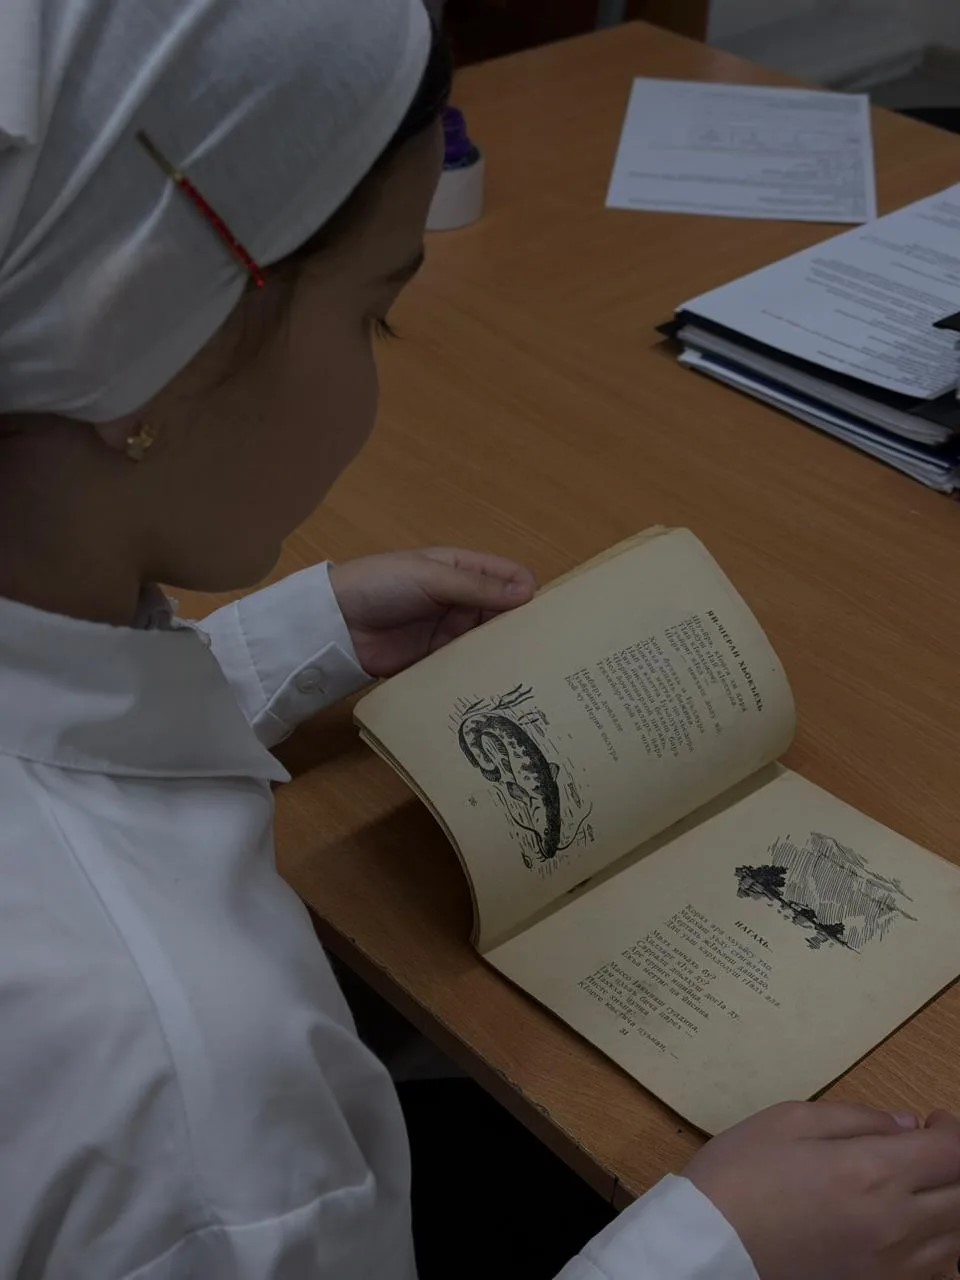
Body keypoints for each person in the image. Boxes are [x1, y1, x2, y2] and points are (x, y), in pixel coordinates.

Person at [2, 2, 960, 1278]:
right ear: (144, 358)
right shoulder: (196, 1107)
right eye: (375, 315)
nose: (379, 367)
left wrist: (287, 641)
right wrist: (722, 1247)